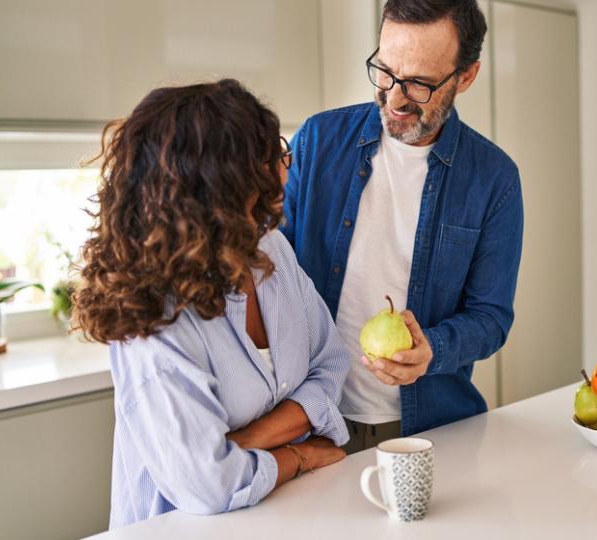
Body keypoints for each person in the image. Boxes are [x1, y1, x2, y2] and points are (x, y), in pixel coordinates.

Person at [72, 79, 349, 528]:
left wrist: (247, 441)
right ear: (220, 186)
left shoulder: (272, 248)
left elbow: (331, 364)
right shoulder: (152, 320)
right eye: (269, 158)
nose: (286, 166)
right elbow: (208, 484)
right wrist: (298, 455)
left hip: (289, 517)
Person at [281, 0, 524, 453]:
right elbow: (271, 276)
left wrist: (432, 348)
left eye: (418, 84)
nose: (393, 98)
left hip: (433, 431)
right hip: (314, 426)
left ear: (466, 76)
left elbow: (491, 318)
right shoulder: (316, 141)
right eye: (385, 71)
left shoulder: (494, 179)